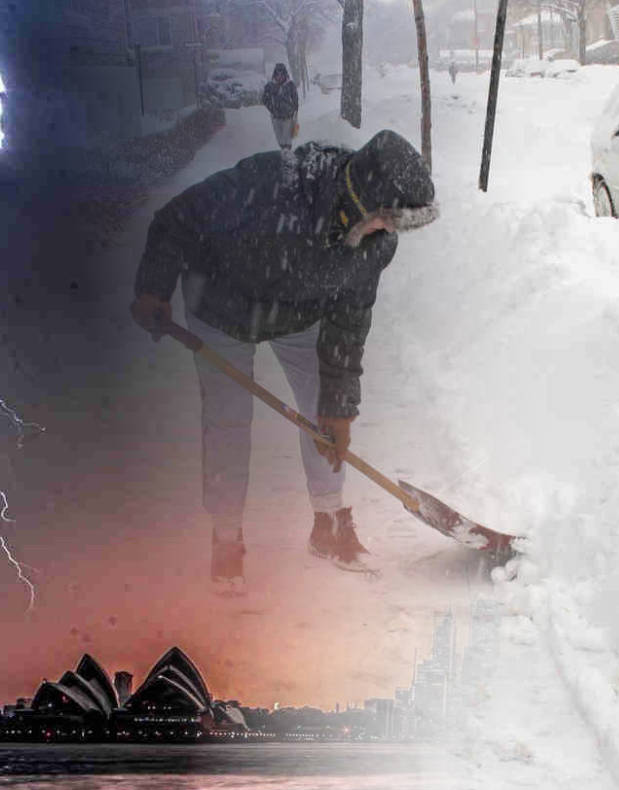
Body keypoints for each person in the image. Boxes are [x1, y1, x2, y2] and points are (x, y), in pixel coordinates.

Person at [129, 131, 438, 587]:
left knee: (322, 414)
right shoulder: (272, 184)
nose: (390, 231)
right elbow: (176, 219)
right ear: (360, 200)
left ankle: (329, 522)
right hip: (221, 304)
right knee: (228, 419)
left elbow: (350, 320)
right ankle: (226, 536)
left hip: (298, 313)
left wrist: (339, 406)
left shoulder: (375, 243)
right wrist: (153, 289)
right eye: (387, 219)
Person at [262, 63, 299, 149]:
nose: (279, 77)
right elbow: (265, 99)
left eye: (281, 75)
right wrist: (272, 108)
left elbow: (295, 99)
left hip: (288, 117)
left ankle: (288, 151)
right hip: (276, 117)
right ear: (274, 75)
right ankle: (283, 150)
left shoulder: (290, 85)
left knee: (287, 138)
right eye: (277, 75)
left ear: (285, 74)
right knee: (279, 138)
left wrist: (293, 110)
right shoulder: (270, 86)